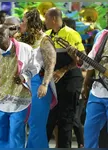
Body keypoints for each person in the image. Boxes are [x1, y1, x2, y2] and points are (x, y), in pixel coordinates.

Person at [0, 25, 38, 148]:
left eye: (2, 34)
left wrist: (24, 76)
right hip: (1, 99)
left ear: (9, 37)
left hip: (20, 99)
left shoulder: (25, 48)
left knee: (16, 134)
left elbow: (36, 66)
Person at [44, 8, 85, 148]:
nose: (45, 21)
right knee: (50, 119)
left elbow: (81, 61)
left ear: (54, 19)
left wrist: (63, 70)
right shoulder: (47, 35)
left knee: (66, 119)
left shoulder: (71, 34)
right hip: (53, 82)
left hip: (70, 80)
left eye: (46, 18)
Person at [18, 8, 57, 148]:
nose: (20, 24)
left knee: (36, 124)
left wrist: (45, 84)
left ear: (32, 23)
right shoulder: (23, 38)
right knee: (22, 123)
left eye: (23, 22)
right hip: (23, 84)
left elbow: (50, 63)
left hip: (38, 83)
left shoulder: (44, 40)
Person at [77, 29, 108, 148]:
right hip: (97, 92)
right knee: (90, 132)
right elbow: (91, 60)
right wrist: (79, 60)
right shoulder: (102, 35)